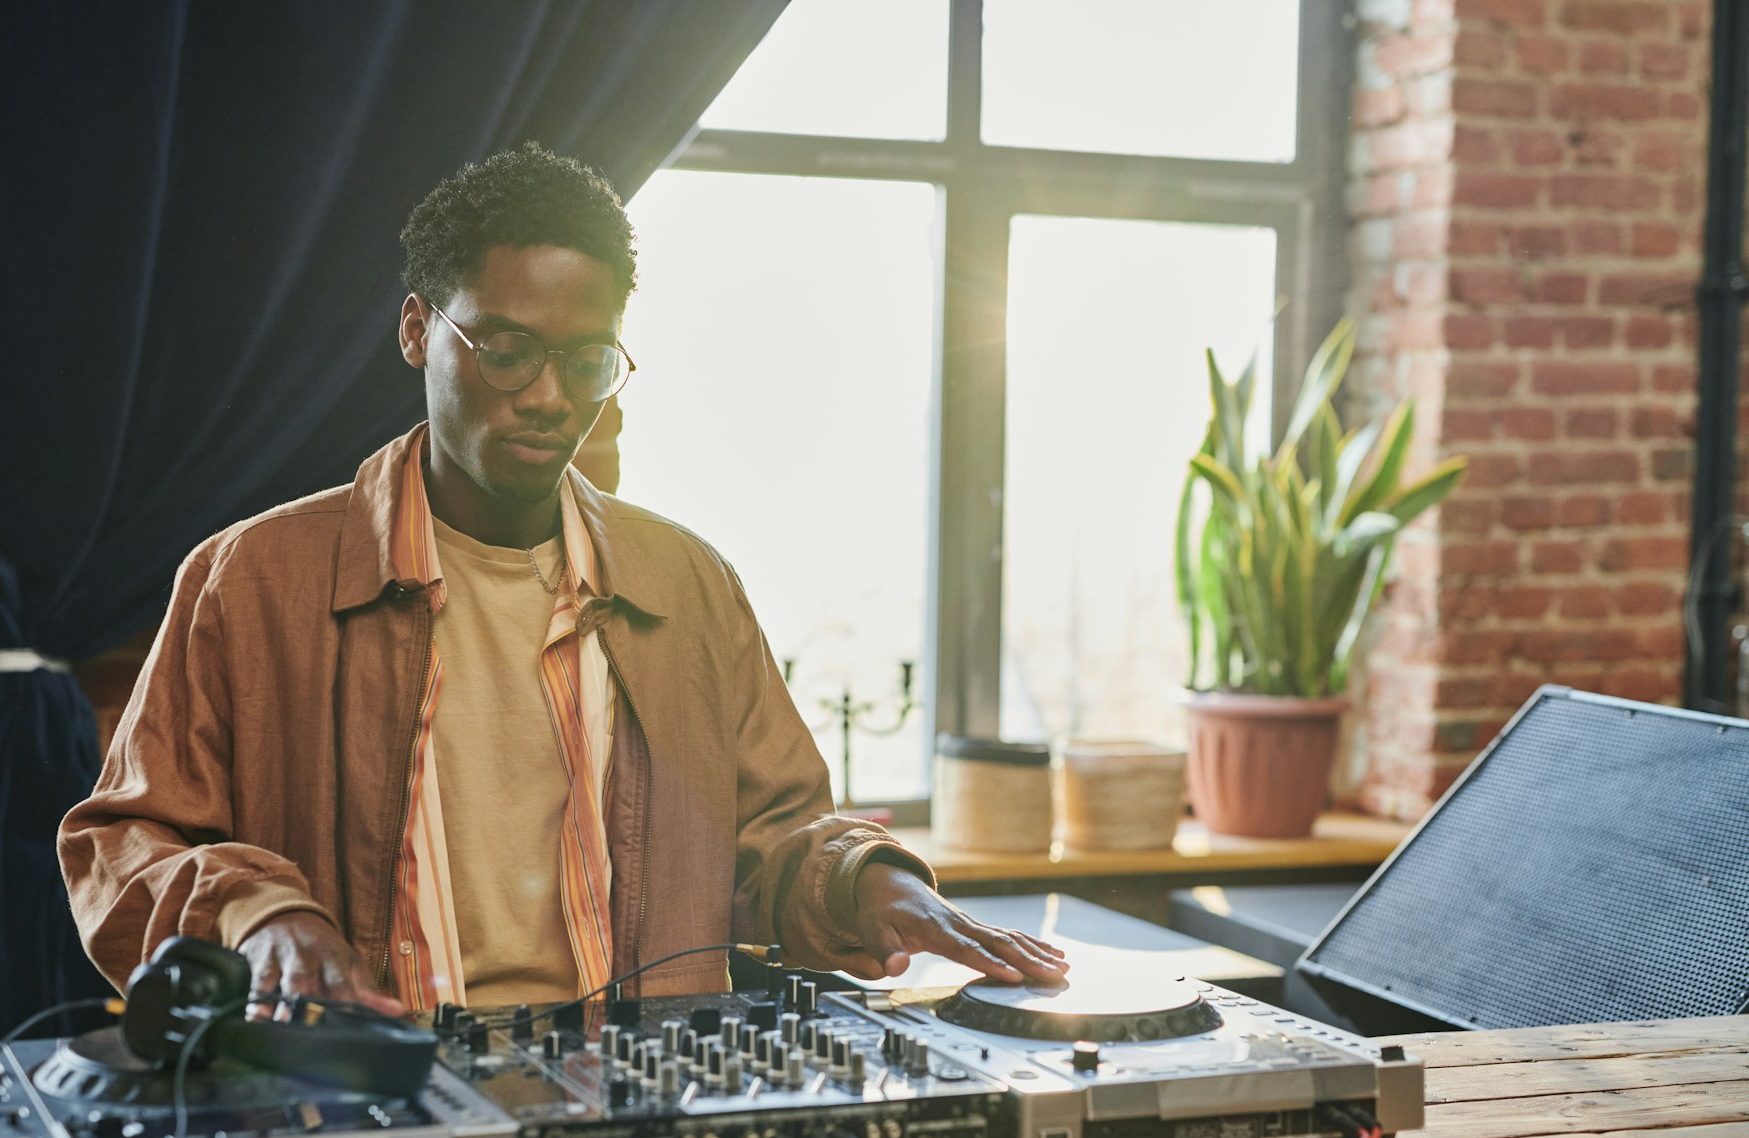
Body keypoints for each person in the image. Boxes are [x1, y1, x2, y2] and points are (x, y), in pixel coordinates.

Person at [59, 145, 1066, 1015]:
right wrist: (259, 910)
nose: (547, 397)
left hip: (637, 1110)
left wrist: (871, 884)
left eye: (586, 362)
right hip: (358, 1102)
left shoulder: (689, 583)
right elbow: (122, 845)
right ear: (417, 331)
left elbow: (779, 836)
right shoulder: (250, 581)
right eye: (504, 350)